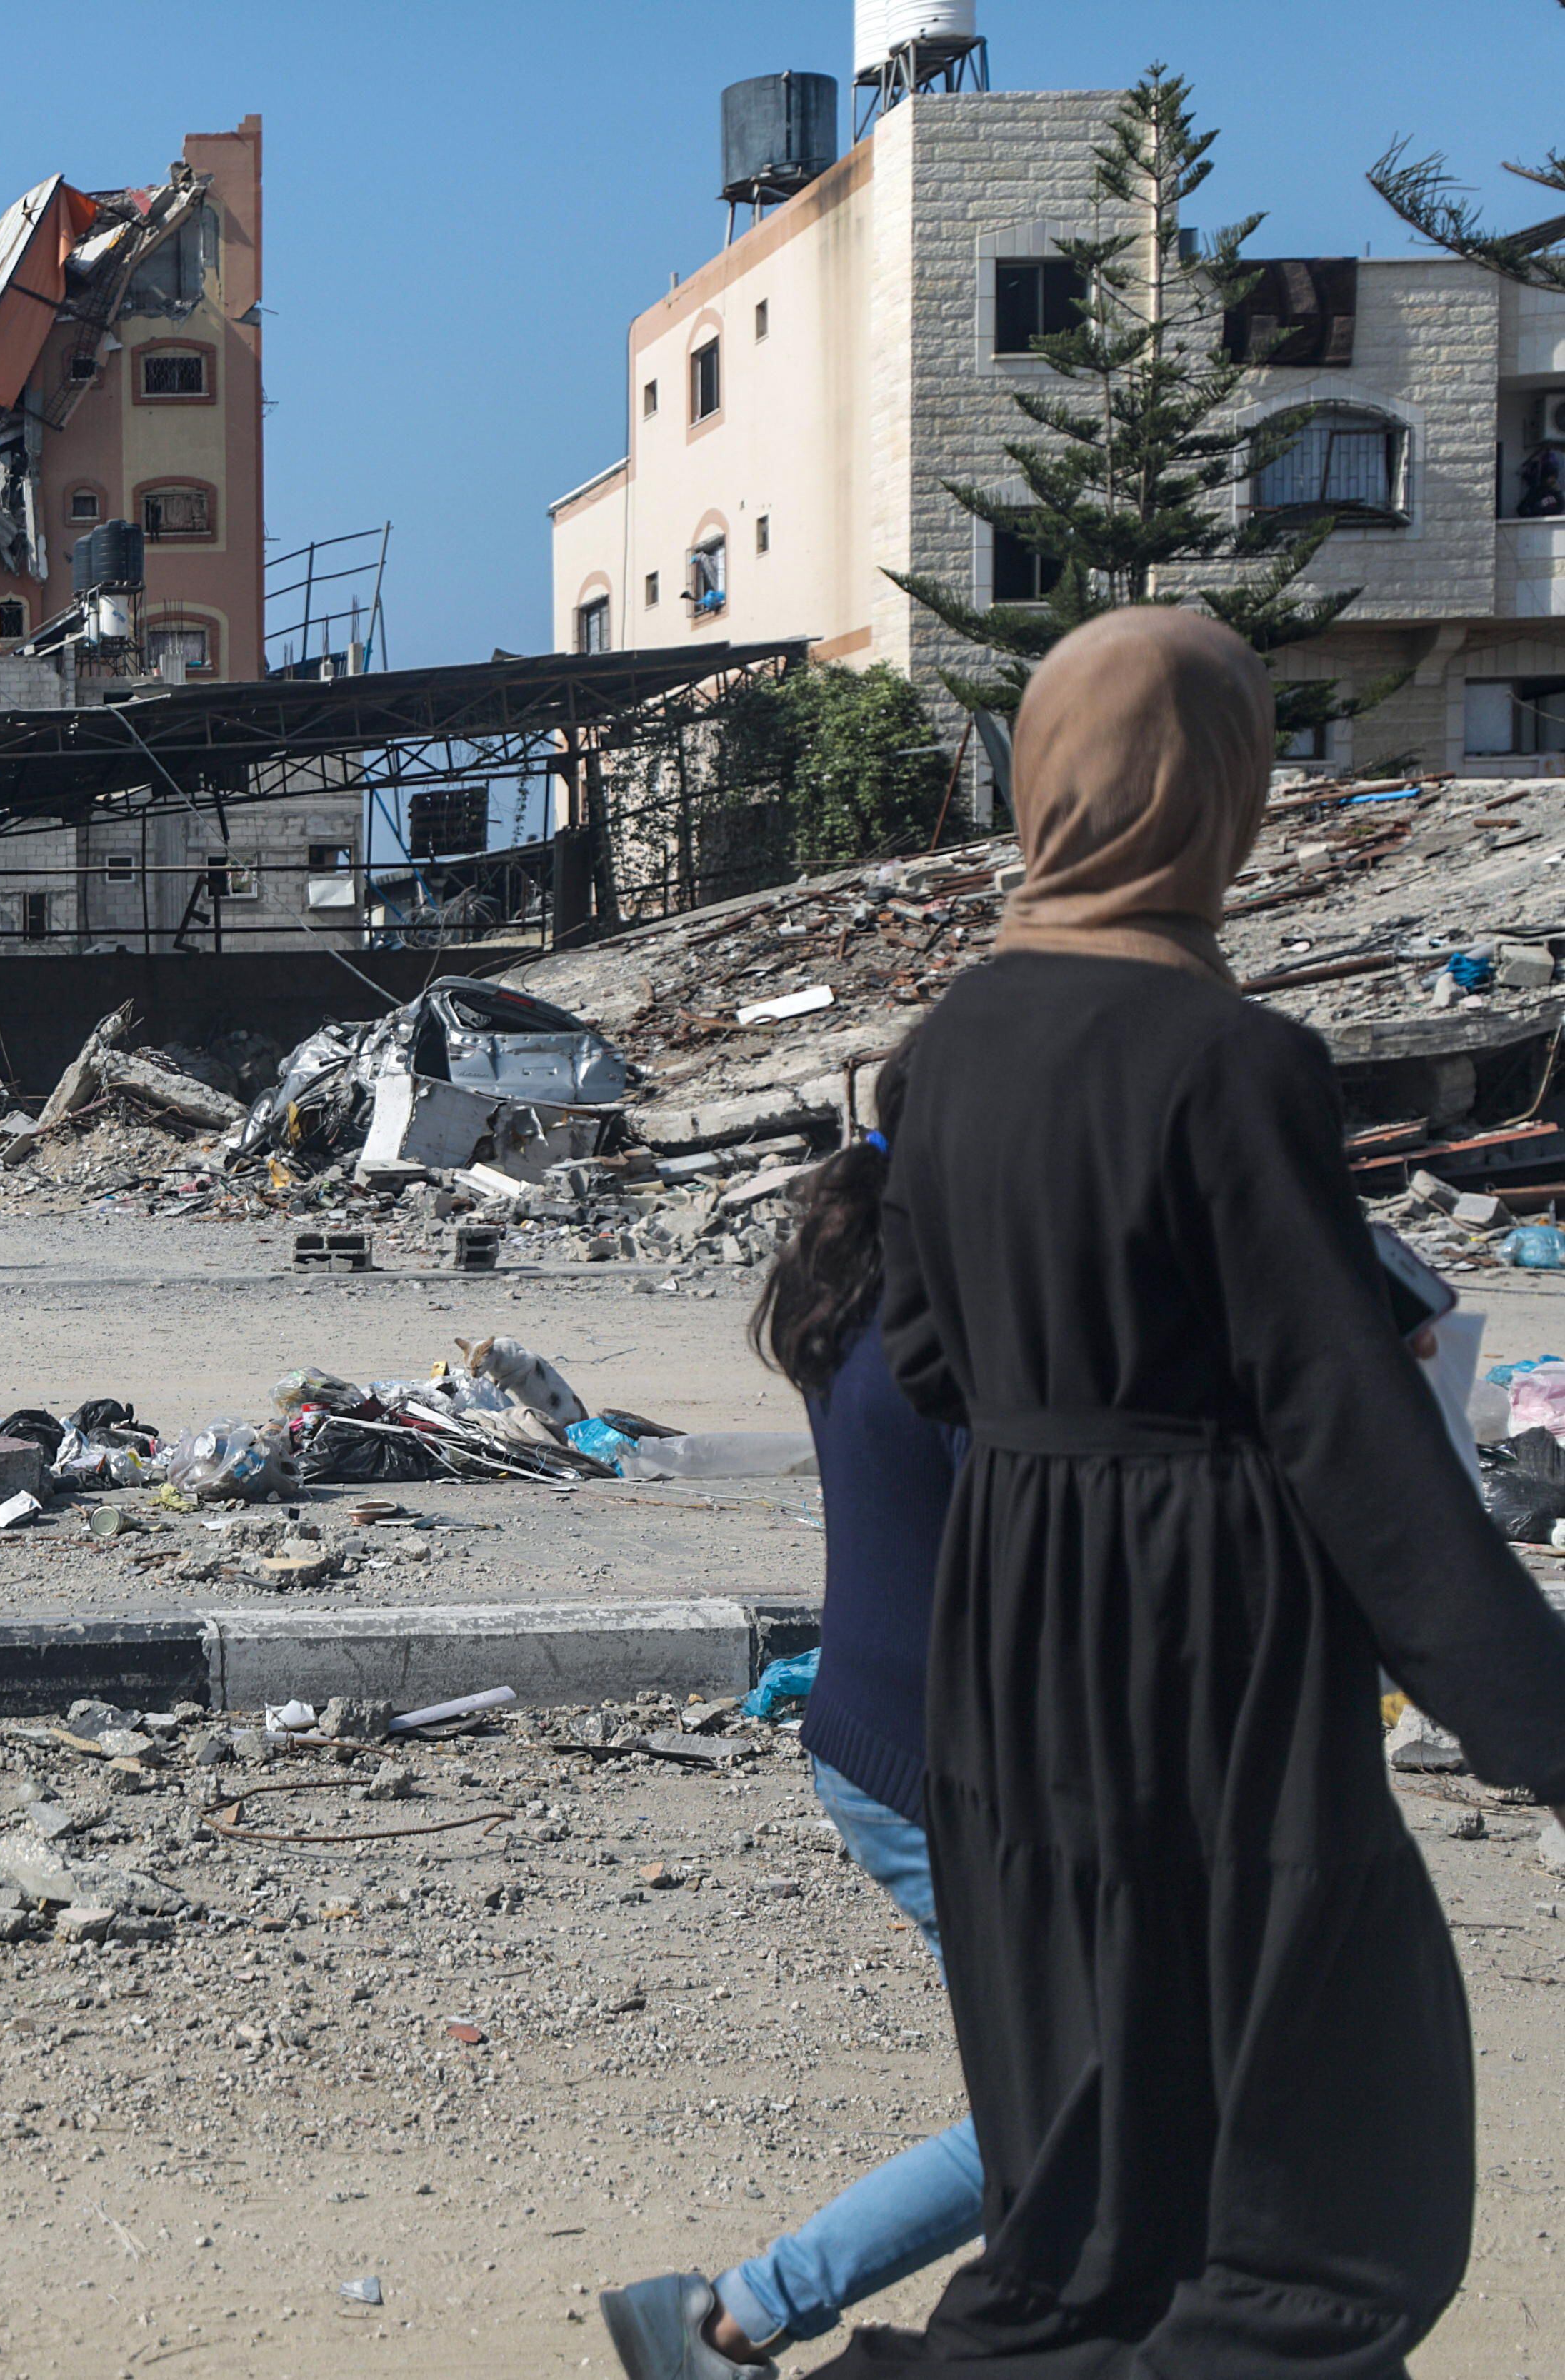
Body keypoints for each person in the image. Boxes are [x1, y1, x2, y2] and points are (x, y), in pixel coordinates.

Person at [814, 607, 1565, 2375]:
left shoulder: (953, 1045)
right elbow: (1340, 1424)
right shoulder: (1238, 1062)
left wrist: (1065, 1409)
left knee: (1094, 2184)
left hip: (1011, 1639)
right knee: (1323, 2178)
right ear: (1210, 796)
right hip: (1203, 1644)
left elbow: (921, 1356)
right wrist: (1534, 1712)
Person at [599, 1060, 984, 2375]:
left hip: (878, 1738)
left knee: (1085, 2097)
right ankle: (730, 2318)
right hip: (939, 1764)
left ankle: (729, 2317)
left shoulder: (868, 1290)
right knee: (1068, 2107)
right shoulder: (955, 1331)